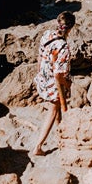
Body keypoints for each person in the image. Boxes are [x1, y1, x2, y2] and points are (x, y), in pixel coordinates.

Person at [33, 8, 75, 156]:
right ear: (71, 28)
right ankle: (38, 146)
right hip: (53, 82)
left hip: (43, 76)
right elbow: (58, 74)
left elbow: (39, 56)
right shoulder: (63, 47)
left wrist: (39, 74)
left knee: (56, 108)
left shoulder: (47, 34)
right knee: (52, 111)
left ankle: (60, 133)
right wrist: (67, 84)